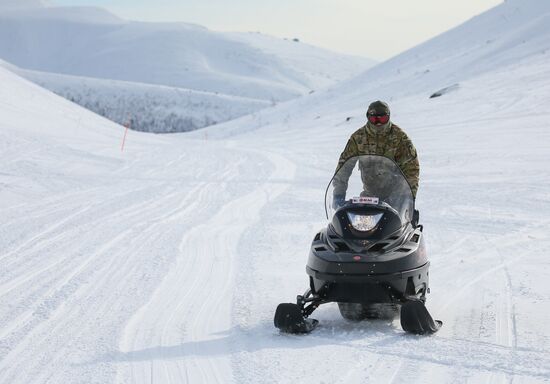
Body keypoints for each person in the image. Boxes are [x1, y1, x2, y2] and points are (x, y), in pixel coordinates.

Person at [332, 100, 419, 208]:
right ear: (368, 117)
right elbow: (344, 166)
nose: (378, 123)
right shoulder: (358, 138)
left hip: (396, 200)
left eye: (382, 119)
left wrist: (410, 200)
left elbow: (411, 170)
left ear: (388, 117)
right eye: (374, 119)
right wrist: (338, 195)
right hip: (369, 197)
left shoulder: (400, 138)